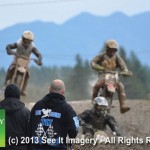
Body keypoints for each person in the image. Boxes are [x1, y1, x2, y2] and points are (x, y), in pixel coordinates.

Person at [29, 79, 79, 150]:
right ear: (63, 92)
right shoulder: (67, 109)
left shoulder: (37, 106)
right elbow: (74, 128)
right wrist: (70, 141)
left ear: (49, 89)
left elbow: (29, 126)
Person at [90, 39, 132, 113]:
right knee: (97, 85)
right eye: (111, 49)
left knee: (121, 86)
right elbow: (93, 62)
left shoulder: (117, 57)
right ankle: (94, 100)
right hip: (103, 75)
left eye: (114, 50)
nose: (112, 51)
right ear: (107, 48)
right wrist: (99, 67)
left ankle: (123, 106)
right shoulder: (102, 56)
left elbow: (123, 66)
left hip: (114, 76)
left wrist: (125, 71)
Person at [4, 30, 42, 95]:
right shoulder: (18, 43)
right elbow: (8, 46)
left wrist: (39, 60)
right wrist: (12, 52)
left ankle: (23, 89)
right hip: (17, 60)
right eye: (26, 40)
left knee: (27, 74)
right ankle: (6, 82)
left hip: (26, 63)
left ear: (31, 41)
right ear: (23, 39)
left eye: (29, 41)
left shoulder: (32, 47)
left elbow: (39, 54)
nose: (27, 43)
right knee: (10, 68)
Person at [0, 84, 30, 150]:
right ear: (18, 95)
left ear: (5, 95)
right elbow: (30, 135)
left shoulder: (1, 112)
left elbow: (1, 140)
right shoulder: (25, 112)